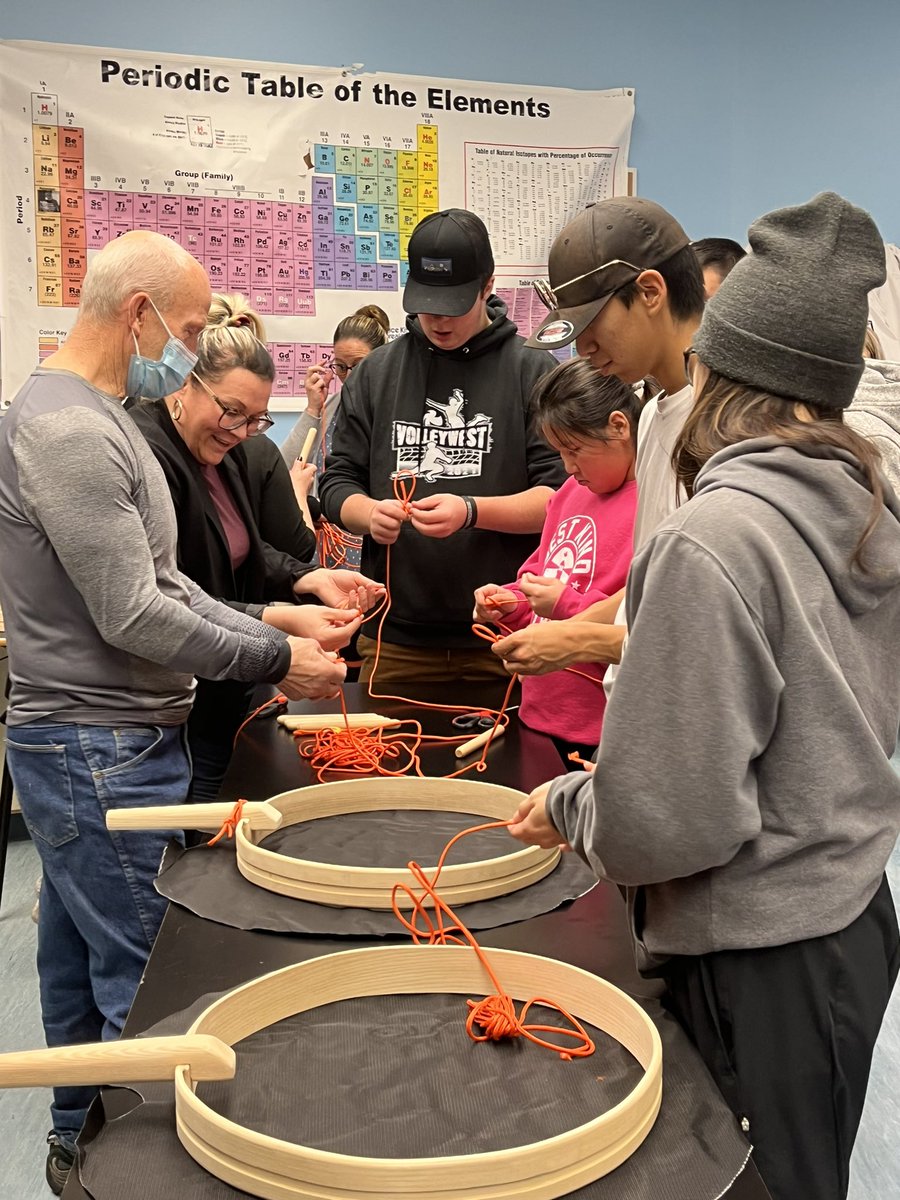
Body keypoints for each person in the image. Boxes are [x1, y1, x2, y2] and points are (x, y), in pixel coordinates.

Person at [507, 192, 900, 1200]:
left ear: (722, 360)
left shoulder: (713, 535)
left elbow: (669, 818)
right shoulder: (867, 500)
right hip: (850, 920)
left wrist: (570, 804)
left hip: (758, 948)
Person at [0, 231, 346, 1194]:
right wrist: (278, 653)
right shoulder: (70, 429)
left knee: (74, 962)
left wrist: (273, 625)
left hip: (97, 741)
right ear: (137, 311)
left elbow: (168, 584)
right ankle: (146, 1173)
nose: (195, 348)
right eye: (190, 329)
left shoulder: (99, 413)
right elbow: (137, 613)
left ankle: (75, 1148)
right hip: (95, 744)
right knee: (149, 986)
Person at [130, 293, 382, 801]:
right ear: (183, 386)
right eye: (232, 413)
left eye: (256, 420)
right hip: (172, 706)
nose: (243, 432)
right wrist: (281, 628)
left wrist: (302, 577)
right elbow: (177, 598)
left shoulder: (227, 454)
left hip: (228, 692)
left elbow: (239, 550)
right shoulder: (149, 455)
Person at [319, 208, 565, 685]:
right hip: (395, 640)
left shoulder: (533, 373)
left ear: (487, 286)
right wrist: (366, 512)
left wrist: (471, 511)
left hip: (505, 635)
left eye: (453, 304)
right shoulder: (376, 374)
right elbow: (336, 481)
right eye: (426, 304)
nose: (437, 319)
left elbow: (558, 501)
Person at [493, 197, 705, 677]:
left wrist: (580, 638)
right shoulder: (653, 417)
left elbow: (711, 617)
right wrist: (556, 635)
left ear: (650, 292)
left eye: (592, 324)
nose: (582, 348)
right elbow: (651, 583)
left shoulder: (726, 423)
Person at [473, 360, 639, 763]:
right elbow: (538, 574)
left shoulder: (652, 503)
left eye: (575, 450)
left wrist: (565, 604)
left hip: (599, 730)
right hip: (538, 715)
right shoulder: (568, 493)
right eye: (560, 453)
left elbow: (641, 621)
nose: (568, 467)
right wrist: (508, 603)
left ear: (620, 427)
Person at [280, 305, 391, 568]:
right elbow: (286, 469)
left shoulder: (395, 409)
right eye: (341, 367)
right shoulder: (330, 407)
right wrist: (312, 410)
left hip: (377, 541)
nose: (350, 377)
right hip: (329, 547)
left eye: (359, 366)